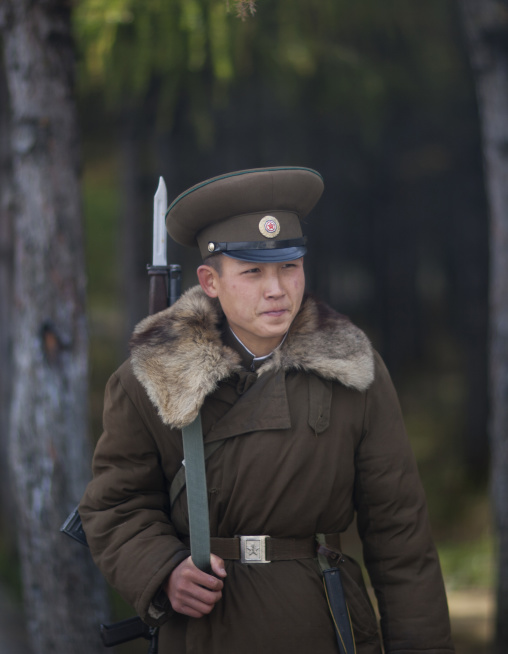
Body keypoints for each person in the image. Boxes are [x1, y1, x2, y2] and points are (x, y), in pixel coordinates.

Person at [79, 166, 455, 654]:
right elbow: (115, 503)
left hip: (322, 623)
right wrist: (162, 569)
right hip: (205, 632)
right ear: (210, 281)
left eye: (289, 267)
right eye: (253, 271)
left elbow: (399, 534)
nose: (276, 289)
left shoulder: (352, 369)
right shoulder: (150, 377)